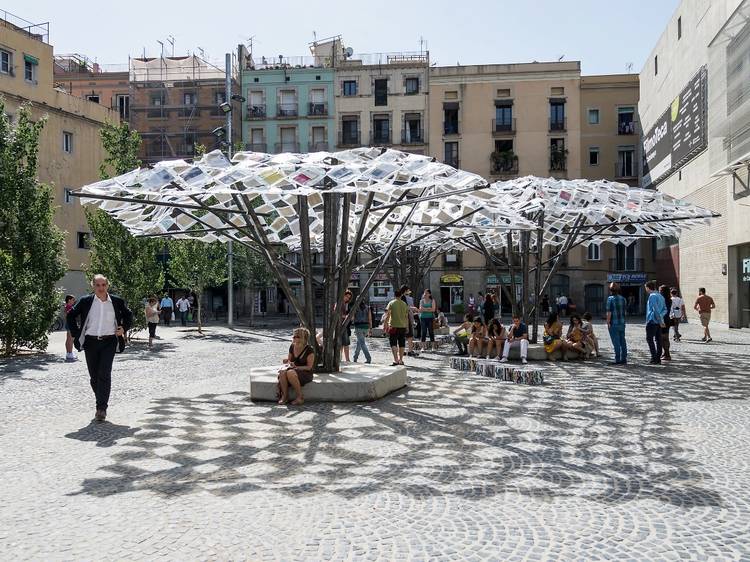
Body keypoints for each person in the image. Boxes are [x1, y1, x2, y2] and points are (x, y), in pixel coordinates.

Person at [66, 274, 133, 422]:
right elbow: (70, 316)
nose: (101, 288)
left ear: (107, 286)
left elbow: (129, 315)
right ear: (93, 286)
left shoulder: (116, 301)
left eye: (103, 285)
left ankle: (101, 408)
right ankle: (101, 399)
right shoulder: (85, 301)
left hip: (109, 341)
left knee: (104, 373)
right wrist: (77, 334)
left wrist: (124, 328)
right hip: (90, 342)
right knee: (94, 377)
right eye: (98, 285)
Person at [277, 327, 315, 406]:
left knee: (290, 372)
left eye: (296, 336)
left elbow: (309, 367)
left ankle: (300, 397)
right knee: (282, 372)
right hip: (293, 369)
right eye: (293, 336)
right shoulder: (292, 346)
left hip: (305, 373)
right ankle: (285, 396)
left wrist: (296, 368)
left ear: (303, 338)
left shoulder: (309, 349)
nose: (293, 338)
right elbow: (289, 360)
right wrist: (287, 361)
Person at [383, 287, 409, 366]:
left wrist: (385, 324)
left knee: (393, 343)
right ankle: (401, 360)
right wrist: (407, 326)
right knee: (402, 344)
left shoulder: (391, 303)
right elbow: (406, 317)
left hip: (393, 326)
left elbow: (388, 314)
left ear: (394, 295)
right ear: (401, 295)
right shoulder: (404, 304)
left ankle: (396, 360)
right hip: (402, 326)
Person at [645, 281, 667, 364]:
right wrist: (661, 318)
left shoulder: (652, 296)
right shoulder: (661, 296)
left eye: (646, 288)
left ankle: (654, 358)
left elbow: (655, 309)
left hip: (652, 321)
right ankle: (658, 358)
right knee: (658, 340)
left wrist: (660, 319)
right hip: (659, 321)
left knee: (649, 339)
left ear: (647, 287)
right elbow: (665, 309)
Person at [606, 282, 628, 365]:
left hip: (613, 323)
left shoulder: (610, 299)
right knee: (623, 341)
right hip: (622, 323)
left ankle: (617, 359)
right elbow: (625, 312)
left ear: (610, 290)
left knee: (616, 342)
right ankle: (624, 358)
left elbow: (609, 312)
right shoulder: (623, 299)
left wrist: (608, 322)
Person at [352, 299, 372, 364]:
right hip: (366, 327)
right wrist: (370, 328)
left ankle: (368, 358)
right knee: (359, 343)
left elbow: (352, 318)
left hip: (358, 326)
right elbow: (370, 318)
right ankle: (355, 358)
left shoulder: (355, 307)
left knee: (362, 343)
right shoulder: (368, 307)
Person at [401, 286, 418, 357]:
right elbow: (406, 307)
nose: (409, 292)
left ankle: (403, 351)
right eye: (408, 290)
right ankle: (410, 351)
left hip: (400, 318)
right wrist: (413, 308)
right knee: (409, 335)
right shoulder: (403, 297)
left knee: (402, 336)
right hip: (406, 318)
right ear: (405, 291)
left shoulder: (398, 297)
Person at [659, 285, 672, 361]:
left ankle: (667, 354)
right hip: (667, 320)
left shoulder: (662, 300)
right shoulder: (669, 299)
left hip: (662, 320)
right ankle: (666, 353)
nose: (659, 291)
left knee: (662, 338)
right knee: (665, 338)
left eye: (660, 290)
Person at [340, 290, 353, 362]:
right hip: (341, 326)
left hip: (345, 326)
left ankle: (342, 359)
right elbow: (337, 314)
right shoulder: (340, 304)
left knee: (344, 343)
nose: (347, 298)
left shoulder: (345, 304)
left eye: (349, 297)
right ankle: (346, 359)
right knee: (345, 343)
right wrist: (347, 316)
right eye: (346, 296)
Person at [64, 295, 77, 362]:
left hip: (69, 323)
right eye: (73, 300)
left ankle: (69, 353)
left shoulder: (68, 306)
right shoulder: (69, 307)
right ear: (69, 300)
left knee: (68, 339)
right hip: (70, 324)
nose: (74, 301)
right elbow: (68, 315)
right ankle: (70, 353)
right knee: (70, 339)